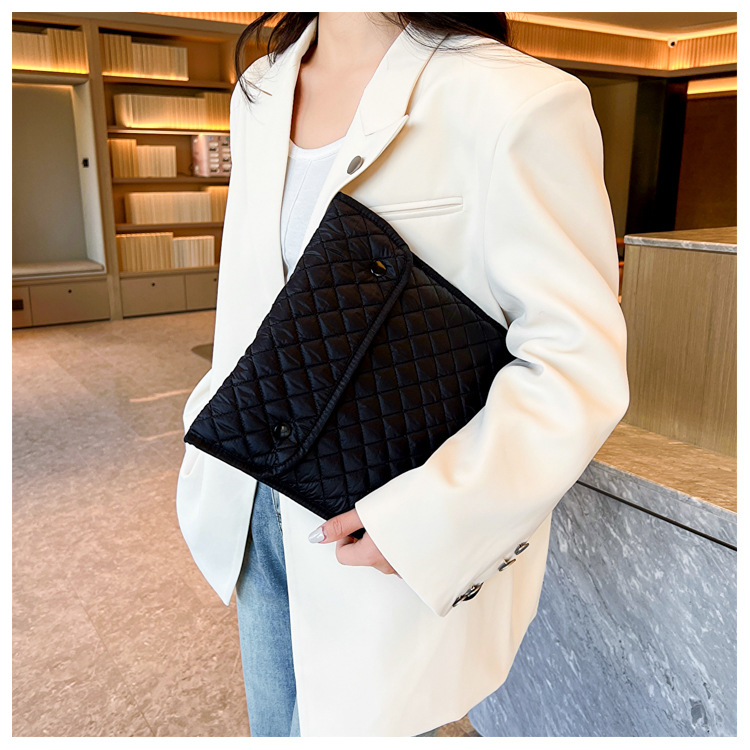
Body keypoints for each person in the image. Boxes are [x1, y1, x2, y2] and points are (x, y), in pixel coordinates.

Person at [176, 12, 630, 737]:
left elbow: (575, 360)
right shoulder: (261, 88)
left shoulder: (513, 97)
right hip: (250, 502)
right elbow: (251, 293)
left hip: (381, 523)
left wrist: (423, 522)